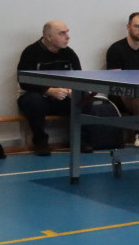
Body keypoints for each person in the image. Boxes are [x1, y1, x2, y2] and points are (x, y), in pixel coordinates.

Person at [16, 21, 91, 156]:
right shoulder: (30, 52)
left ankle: (79, 139)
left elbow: (79, 77)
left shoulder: (69, 53)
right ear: (48, 37)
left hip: (61, 97)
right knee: (34, 101)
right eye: (62, 33)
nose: (68, 37)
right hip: (35, 96)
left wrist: (71, 90)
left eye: (67, 32)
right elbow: (24, 82)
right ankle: (40, 142)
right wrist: (49, 91)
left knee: (84, 96)